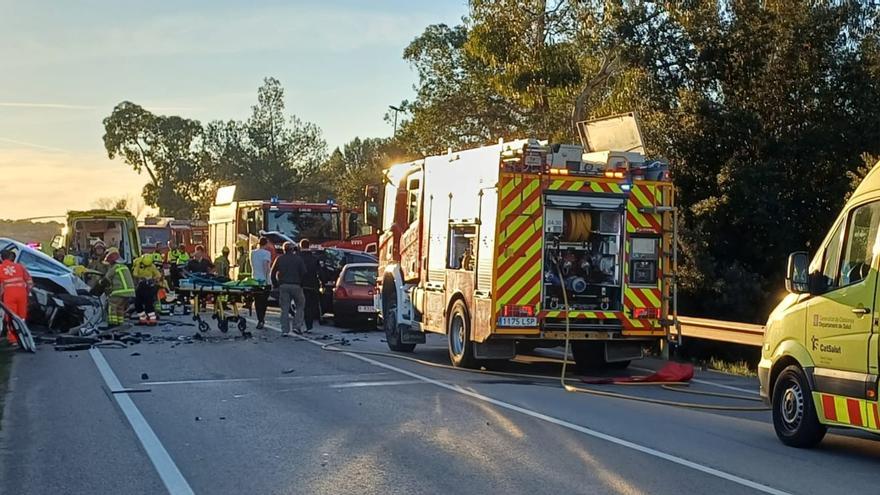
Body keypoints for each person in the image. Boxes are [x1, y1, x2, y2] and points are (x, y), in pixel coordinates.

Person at [270, 242, 306, 336]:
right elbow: (304, 273)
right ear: (293, 249)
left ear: (283, 249)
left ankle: (285, 330)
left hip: (283, 286)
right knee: (300, 305)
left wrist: (275, 285)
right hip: (296, 285)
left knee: (284, 308)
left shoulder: (279, 259)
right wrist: (301, 283)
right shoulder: (298, 259)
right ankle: (297, 326)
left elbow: (272, 273)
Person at [0, 250, 33, 347]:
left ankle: (14, 339)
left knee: (11, 316)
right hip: (22, 293)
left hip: (9, 294)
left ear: (1, 258)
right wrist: (27, 292)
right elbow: (29, 282)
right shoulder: (20, 267)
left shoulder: (0, 268)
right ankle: (23, 335)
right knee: (22, 316)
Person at [102, 248, 135, 327]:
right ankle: (120, 322)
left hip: (119, 292)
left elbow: (106, 278)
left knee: (112, 305)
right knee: (120, 307)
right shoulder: (124, 267)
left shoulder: (115, 267)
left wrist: (100, 284)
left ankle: (112, 323)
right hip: (129, 292)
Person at [250, 237, 273, 329]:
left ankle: (259, 319)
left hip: (255, 279)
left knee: (257, 301)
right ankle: (261, 319)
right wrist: (268, 279)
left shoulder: (253, 253)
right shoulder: (267, 253)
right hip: (264, 280)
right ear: (266, 243)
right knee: (264, 301)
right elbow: (266, 267)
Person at [132, 254, 161, 325]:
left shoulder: (152, 266)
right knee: (138, 303)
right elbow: (135, 274)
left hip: (148, 286)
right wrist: (138, 265)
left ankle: (152, 320)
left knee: (149, 303)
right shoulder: (138, 263)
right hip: (140, 286)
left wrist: (152, 279)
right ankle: (143, 319)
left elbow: (158, 275)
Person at [298, 239, 321, 330]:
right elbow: (320, 272)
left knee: (301, 305)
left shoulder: (298, 257)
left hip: (301, 284)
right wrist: (323, 281)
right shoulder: (314, 258)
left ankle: (300, 324)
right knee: (310, 305)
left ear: (300, 246)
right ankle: (309, 324)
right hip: (312, 284)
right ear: (309, 246)